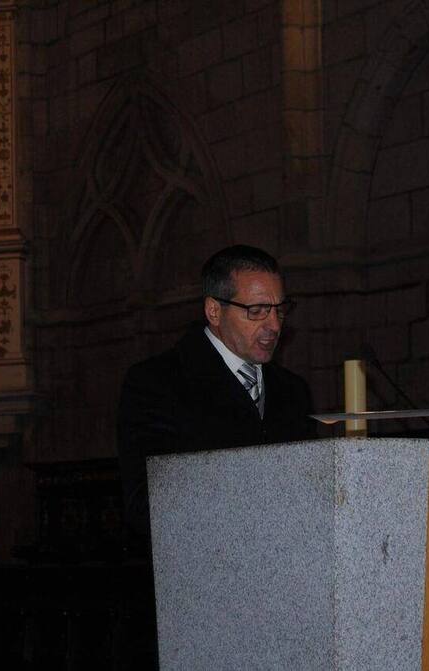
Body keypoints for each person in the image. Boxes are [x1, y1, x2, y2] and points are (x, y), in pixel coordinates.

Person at [115, 245, 315, 669]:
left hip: (285, 606)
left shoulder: (293, 391)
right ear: (213, 310)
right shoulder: (158, 383)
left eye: (280, 310)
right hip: (200, 604)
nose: (274, 325)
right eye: (257, 311)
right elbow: (145, 504)